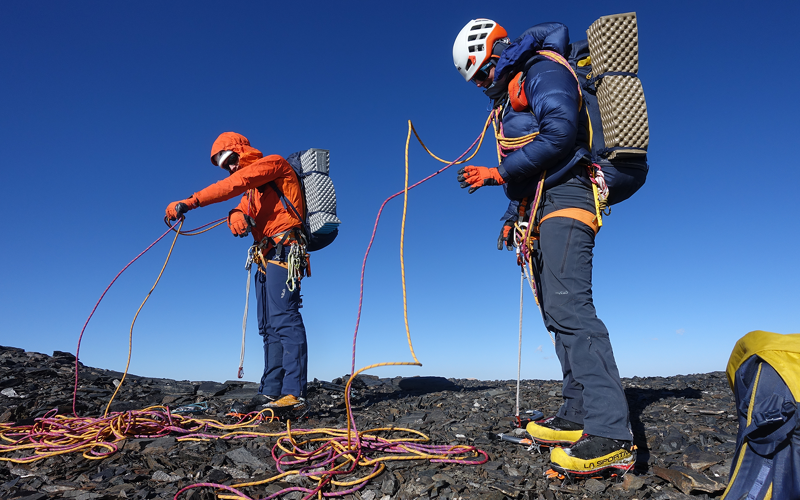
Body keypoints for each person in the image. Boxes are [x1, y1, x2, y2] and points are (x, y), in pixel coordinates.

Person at [452, 19, 639, 476]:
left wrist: (496, 174)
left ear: (490, 55)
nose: (480, 85)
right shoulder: (512, 90)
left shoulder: (541, 70)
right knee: (557, 314)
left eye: (478, 74)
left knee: (571, 308)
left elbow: (559, 134)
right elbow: (528, 169)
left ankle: (612, 434)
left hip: (569, 195)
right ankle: (577, 416)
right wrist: (510, 216)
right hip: (540, 204)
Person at [165, 132, 308, 413]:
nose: (230, 167)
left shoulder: (273, 164)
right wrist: (235, 215)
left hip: (285, 251)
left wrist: (190, 202)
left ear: (242, 151)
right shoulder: (252, 193)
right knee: (268, 327)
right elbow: (239, 201)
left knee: (285, 320)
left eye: (230, 159)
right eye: (224, 165)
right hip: (264, 258)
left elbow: (234, 184)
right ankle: (271, 392)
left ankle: (295, 394)